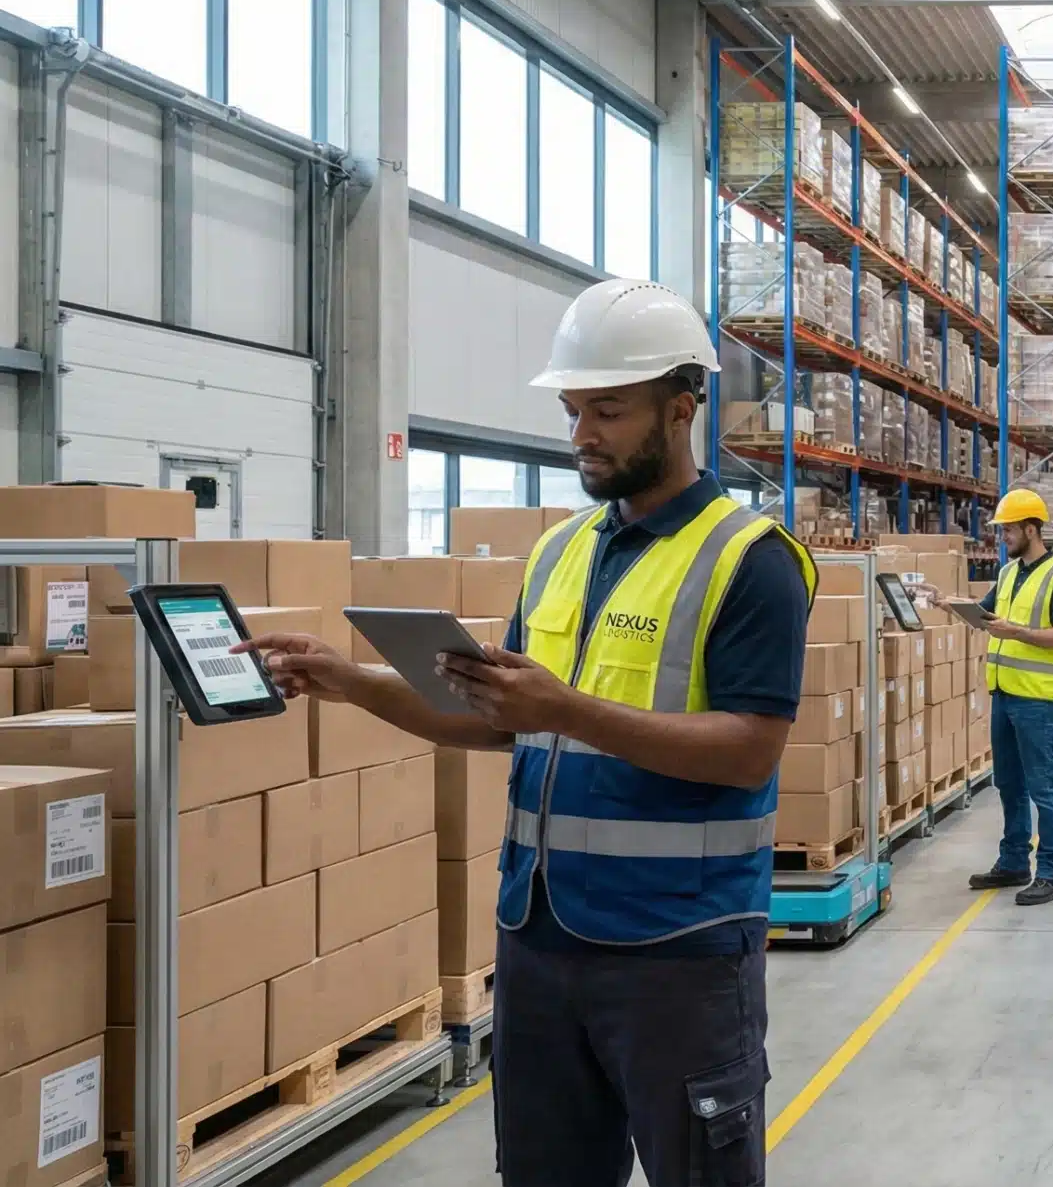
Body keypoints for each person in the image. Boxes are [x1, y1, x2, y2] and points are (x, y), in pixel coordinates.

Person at [240, 279, 814, 1187]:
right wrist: (349, 680)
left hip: (677, 950)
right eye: (573, 409)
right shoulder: (559, 553)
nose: (581, 433)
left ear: (680, 407)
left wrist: (566, 709)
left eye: (607, 411)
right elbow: (499, 715)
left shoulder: (751, 561)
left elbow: (750, 749)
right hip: (540, 940)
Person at [962, 489, 1053, 906]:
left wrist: (1019, 633)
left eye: (1008, 529)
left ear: (1031, 528)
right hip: (1004, 694)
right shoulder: (1008, 573)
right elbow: (987, 616)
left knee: (1043, 787)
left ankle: (1052, 872)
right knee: (1008, 783)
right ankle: (1014, 861)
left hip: (1038, 700)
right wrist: (949, 604)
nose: (1003, 537)